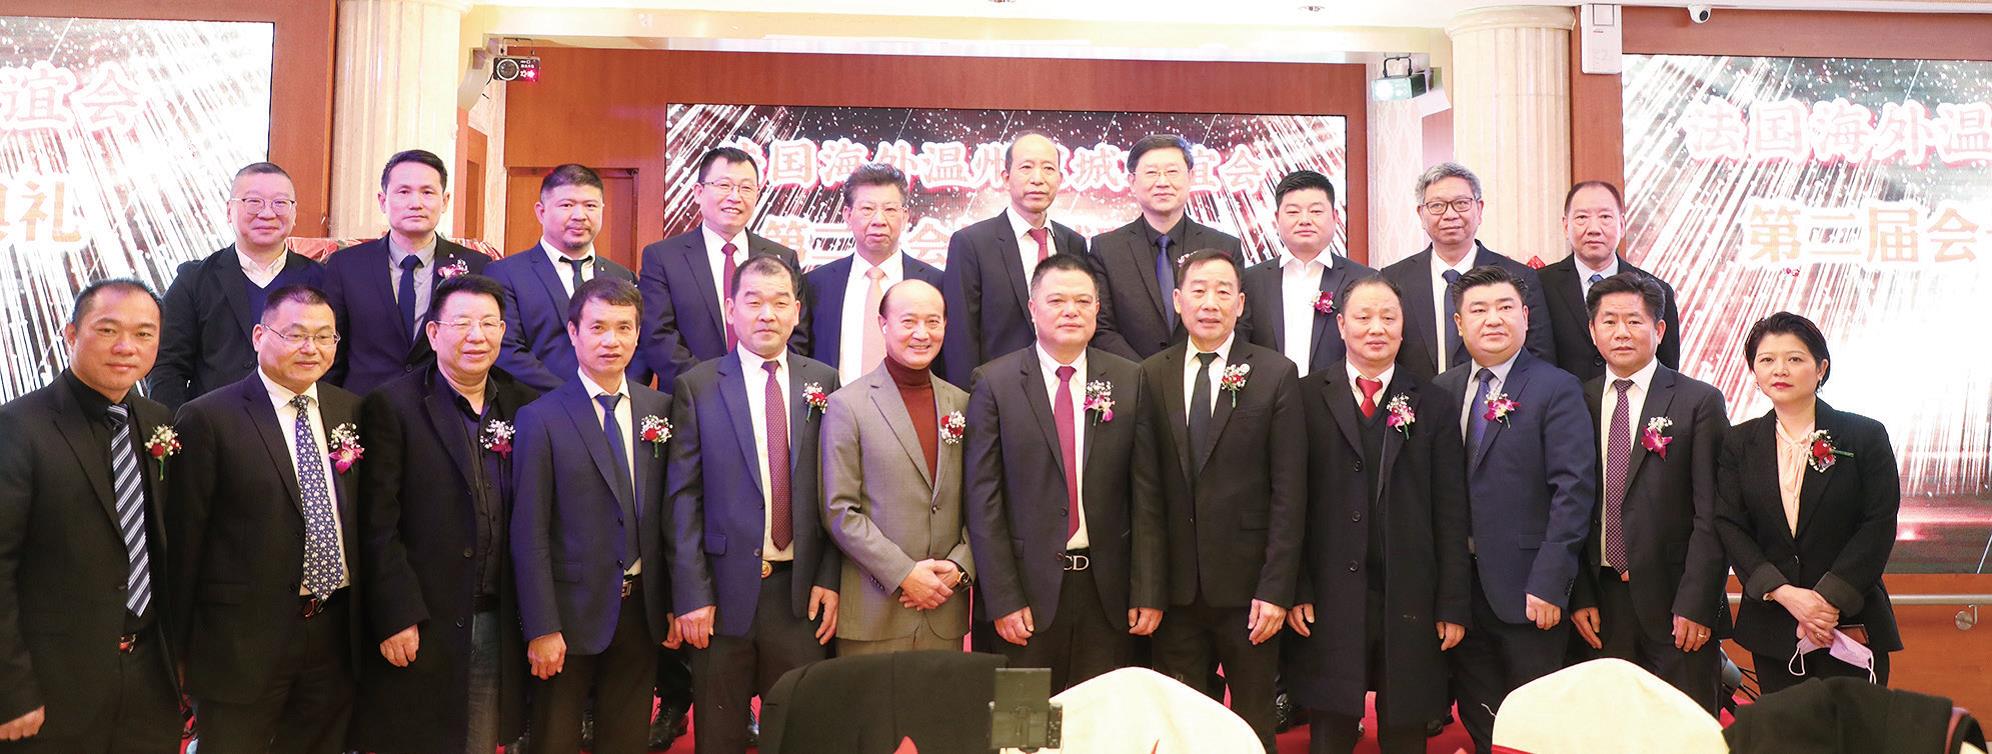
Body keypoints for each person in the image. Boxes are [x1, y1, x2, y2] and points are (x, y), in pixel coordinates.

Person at [166, 285, 364, 753]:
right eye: (295, 335)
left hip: (334, 633)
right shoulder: (207, 418)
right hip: (240, 642)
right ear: (259, 336)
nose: (310, 348)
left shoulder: (350, 411)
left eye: (324, 336)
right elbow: (184, 542)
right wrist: (176, 649)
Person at [350, 274, 540, 754]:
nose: (477, 336)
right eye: (462, 323)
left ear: (503, 332)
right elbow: (377, 524)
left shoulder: (523, 405)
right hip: (424, 618)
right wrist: (396, 614)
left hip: (496, 616)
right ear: (434, 333)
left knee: (479, 741)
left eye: (489, 324)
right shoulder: (392, 406)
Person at [1284, 275, 1470, 754]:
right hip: (1329, 593)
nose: (1376, 328)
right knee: (1330, 734)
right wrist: (1297, 586)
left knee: (1406, 730)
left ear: (1403, 327)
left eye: (1388, 317)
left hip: (1409, 594)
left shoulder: (1432, 402)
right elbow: (1289, 504)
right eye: (1363, 317)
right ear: (1341, 326)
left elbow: (1451, 512)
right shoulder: (1305, 397)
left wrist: (1451, 601)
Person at [665, 255, 842, 754]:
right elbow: (682, 499)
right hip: (721, 596)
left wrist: (830, 577)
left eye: (780, 302)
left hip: (800, 596)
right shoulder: (698, 386)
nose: (767, 314)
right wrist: (691, 594)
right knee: (718, 737)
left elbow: (838, 492)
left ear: (797, 312)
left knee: (801, 735)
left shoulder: (824, 382)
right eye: (754, 301)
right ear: (731, 309)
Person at [1131, 249, 1304, 752]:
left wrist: (1276, 589)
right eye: (1199, 290)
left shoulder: (1274, 372)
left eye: (1223, 291)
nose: (1210, 302)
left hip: (1250, 593)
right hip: (1177, 593)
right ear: (1177, 299)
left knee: (1252, 724)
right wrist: (1149, 588)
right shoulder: (1151, 374)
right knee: (1183, 726)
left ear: (1241, 303)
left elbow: (1290, 492)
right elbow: (1146, 492)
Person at [0, 280, 181, 752]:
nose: (126, 347)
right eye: (108, 330)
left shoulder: (157, 419)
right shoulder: (17, 426)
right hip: (53, 684)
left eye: (144, 333)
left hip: (149, 676)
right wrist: (10, 690)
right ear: (71, 334)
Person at [963, 253, 1158, 692]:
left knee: (1101, 720)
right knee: (1024, 722)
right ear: (1033, 309)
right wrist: (1003, 597)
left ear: (1097, 309)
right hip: (1024, 597)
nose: (1071, 310)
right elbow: (983, 501)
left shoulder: (1130, 380)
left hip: (1107, 595)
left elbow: (1146, 496)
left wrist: (1146, 589)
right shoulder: (995, 383)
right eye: (1057, 301)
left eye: (1082, 301)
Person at [509, 277, 679, 754]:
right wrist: (542, 625)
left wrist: (671, 601)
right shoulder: (541, 417)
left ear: (638, 334)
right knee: (555, 740)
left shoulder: (660, 409)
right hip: (568, 612)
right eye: (598, 327)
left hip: (641, 610)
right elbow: (529, 532)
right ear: (573, 332)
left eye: (624, 328)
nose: (611, 341)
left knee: (626, 738)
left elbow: (671, 517)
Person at [1431, 265, 1595, 754]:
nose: (1493, 319)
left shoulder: (1556, 387)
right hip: (1460, 591)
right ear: (1459, 323)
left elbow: (1573, 490)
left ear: (1525, 316)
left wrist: (1550, 580)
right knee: (1479, 712)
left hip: (1529, 588)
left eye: (1505, 307)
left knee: (1535, 721)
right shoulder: (1441, 390)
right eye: (1478, 310)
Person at [1713, 312, 1901, 694]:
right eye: (1767, 360)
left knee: (1856, 727)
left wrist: (1825, 601)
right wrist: (1786, 595)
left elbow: (1879, 522)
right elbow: (1730, 524)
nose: (1779, 369)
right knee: (1785, 729)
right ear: (1754, 372)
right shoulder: (1739, 442)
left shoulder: (1863, 435)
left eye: (1794, 358)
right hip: (1775, 626)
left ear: (1821, 368)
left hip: (1850, 621)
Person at [1566, 273, 1728, 712]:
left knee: (1685, 727)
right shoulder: (1576, 400)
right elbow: (1567, 505)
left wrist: (1697, 603)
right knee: (1610, 726)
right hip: (1601, 601)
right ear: (1592, 331)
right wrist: (1579, 594)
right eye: (1609, 321)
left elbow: (1713, 513)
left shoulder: (1698, 401)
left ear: (1659, 329)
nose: (1621, 332)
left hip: (1676, 600)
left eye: (1634, 321)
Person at [819, 279, 974, 655]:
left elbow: (981, 499)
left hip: (944, 606)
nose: (922, 333)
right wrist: (904, 573)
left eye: (933, 322)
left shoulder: (964, 403)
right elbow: (840, 511)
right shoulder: (848, 405)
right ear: (883, 324)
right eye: (908, 321)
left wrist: (961, 565)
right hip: (875, 611)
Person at [151, 162, 325, 409]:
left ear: (294, 212)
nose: (267, 213)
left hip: (298, 420)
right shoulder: (194, 279)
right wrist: (176, 426)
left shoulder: (321, 280)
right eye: (253, 202)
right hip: (213, 421)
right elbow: (167, 365)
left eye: (280, 203)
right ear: (229, 210)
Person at [324, 148, 490, 395]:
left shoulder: (476, 266)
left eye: (427, 192)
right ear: (383, 201)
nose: (416, 203)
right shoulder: (345, 266)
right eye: (403, 192)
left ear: (445, 201)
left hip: (443, 405)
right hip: (364, 406)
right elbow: (331, 349)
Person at [640, 146, 803, 389]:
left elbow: (797, 334)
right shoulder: (663, 257)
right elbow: (657, 336)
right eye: (724, 185)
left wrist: (759, 381)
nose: (735, 197)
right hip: (690, 397)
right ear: (698, 192)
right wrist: (711, 387)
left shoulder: (782, 258)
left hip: (766, 392)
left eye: (746, 188)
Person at [1378, 162, 1553, 383]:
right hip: (1418, 401)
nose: (1450, 215)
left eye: (1461, 203)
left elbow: (1540, 356)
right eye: (1437, 206)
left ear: (1479, 209)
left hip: (1499, 400)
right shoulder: (1393, 279)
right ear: (1421, 214)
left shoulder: (1519, 276)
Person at [939, 131, 1088, 387]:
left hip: (1064, 386)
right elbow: (960, 335)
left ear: (1060, 179)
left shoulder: (1074, 243)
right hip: (998, 389)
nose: (1038, 179)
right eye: (1026, 167)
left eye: (1048, 168)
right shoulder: (972, 243)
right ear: (1006, 178)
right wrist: (968, 398)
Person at [485, 164, 643, 393]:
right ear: (541, 212)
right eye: (567, 205)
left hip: (613, 404)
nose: (579, 216)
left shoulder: (622, 276)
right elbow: (507, 350)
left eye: (590, 206)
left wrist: (617, 393)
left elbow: (641, 348)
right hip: (535, 404)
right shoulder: (504, 274)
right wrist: (573, 398)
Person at [1088, 134, 1244, 361]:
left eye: (1172, 172)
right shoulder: (1107, 249)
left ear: (1190, 177)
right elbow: (1102, 327)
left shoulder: (1224, 246)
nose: (1162, 182)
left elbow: (1240, 322)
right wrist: (1142, 373)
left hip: (1206, 373)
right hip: (1130, 376)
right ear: (1132, 181)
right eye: (1151, 173)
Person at [800, 163, 945, 386]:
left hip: (911, 405)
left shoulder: (935, 283)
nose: (879, 220)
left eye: (890, 209)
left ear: (905, 216)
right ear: (847, 215)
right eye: (867, 209)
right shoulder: (816, 284)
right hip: (834, 404)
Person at [1536, 181, 1682, 381]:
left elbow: (1668, 373)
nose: (1594, 229)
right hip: (1561, 400)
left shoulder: (1658, 290)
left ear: (1621, 225)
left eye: (1605, 217)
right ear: (1566, 225)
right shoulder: (1540, 285)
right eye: (1582, 217)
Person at [1239, 169, 1374, 377]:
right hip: (1267, 395)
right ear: (1277, 218)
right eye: (1293, 212)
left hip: (1338, 394)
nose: (1304, 220)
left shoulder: (1364, 281)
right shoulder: (1250, 281)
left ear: (1335, 217)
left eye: (1316, 211)